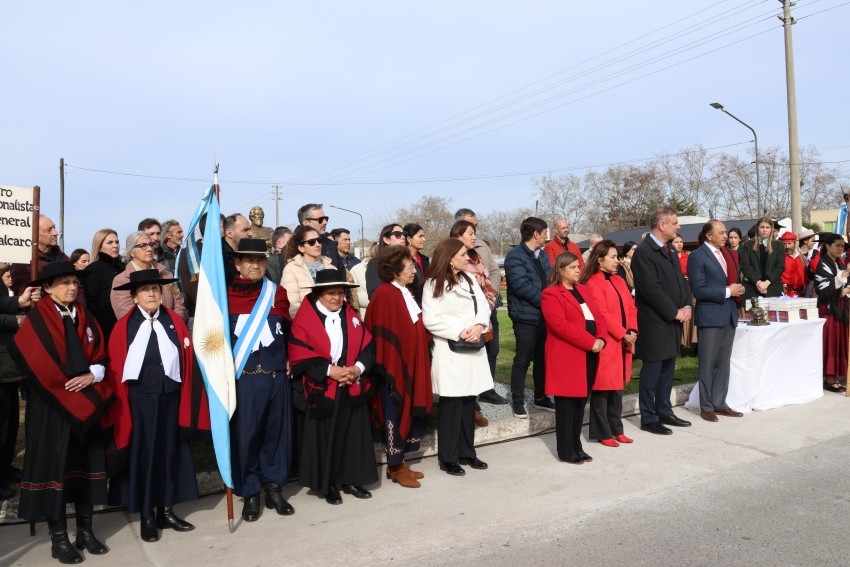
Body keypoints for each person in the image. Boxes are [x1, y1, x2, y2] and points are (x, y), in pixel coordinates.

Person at [11, 262, 113, 564]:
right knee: (56, 468)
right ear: (47, 287)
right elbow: (36, 361)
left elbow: (100, 355)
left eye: (74, 282)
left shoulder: (85, 316)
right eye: (65, 282)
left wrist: (92, 376)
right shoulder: (37, 319)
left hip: (87, 403)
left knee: (85, 466)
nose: (72, 288)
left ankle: (85, 531)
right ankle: (59, 538)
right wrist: (70, 388)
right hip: (52, 406)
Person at [106, 269, 209, 542]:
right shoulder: (124, 326)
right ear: (134, 296)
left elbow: (185, 359)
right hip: (140, 400)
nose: (151, 294)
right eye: (145, 290)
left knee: (169, 453)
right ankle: (147, 515)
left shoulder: (173, 320)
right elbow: (117, 368)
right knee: (147, 456)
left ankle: (166, 509)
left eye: (155, 289)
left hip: (171, 395)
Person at [289, 269, 377, 504]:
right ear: (319, 294)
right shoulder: (304, 318)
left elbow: (368, 346)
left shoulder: (352, 315)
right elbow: (299, 352)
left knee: (353, 435)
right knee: (326, 437)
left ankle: (351, 479)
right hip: (321, 386)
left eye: (341, 293)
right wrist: (330, 371)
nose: (337, 298)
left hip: (351, 382)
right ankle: (328, 484)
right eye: (331, 293)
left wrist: (356, 369)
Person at [227, 238, 294, 521]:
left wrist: (290, 357)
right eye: (249, 260)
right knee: (246, 437)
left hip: (276, 375)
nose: (256, 265)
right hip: (244, 379)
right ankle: (250, 492)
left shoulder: (276, 293)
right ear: (237, 263)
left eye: (260, 260)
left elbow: (288, 330)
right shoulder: (224, 295)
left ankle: (274, 487)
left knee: (276, 435)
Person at [422, 238, 493, 476]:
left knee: (467, 404)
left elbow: (483, 306)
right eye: (463, 254)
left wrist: (480, 324)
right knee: (451, 406)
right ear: (450, 256)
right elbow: (431, 319)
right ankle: (449, 457)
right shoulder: (433, 283)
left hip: (472, 349)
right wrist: (460, 330)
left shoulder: (470, 279)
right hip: (451, 351)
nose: (467, 258)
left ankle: (467, 453)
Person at [365, 245, 432, 488]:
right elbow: (382, 335)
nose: (414, 270)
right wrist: (393, 365)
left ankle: (401, 462)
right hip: (392, 369)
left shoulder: (405, 292)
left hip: (411, 363)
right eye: (410, 267)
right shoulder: (385, 294)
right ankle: (395, 463)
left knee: (407, 409)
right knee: (393, 411)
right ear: (395, 270)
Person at [631, 205, 693, 436]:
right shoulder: (644, 252)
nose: (679, 227)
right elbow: (651, 289)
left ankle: (664, 411)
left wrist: (687, 305)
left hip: (672, 320)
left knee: (668, 367)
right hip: (655, 322)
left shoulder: (669, 250)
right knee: (653, 369)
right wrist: (674, 312)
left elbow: (681, 281)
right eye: (675, 223)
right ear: (662, 225)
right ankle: (649, 417)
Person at [541, 252, 607, 464]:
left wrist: (602, 339)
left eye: (578, 266)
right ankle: (566, 449)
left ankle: (576, 446)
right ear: (560, 271)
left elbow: (599, 317)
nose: (578, 270)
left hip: (588, 355)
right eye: (572, 267)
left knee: (580, 403)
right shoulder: (551, 294)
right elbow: (561, 326)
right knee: (567, 406)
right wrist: (590, 342)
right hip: (567, 358)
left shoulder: (583, 291)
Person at [581, 240, 637, 447]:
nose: (617, 261)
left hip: (623, 340)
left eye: (617, 257)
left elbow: (631, 307)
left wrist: (632, 330)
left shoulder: (619, 280)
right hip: (609, 341)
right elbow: (601, 314)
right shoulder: (593, 282)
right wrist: (623, 333)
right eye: (613, 257)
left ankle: (617, 428)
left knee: (618, 388)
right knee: (603, 388)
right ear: (600, 259)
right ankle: (602, 431)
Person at [687, 221, 745, 422]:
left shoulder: (727, 254)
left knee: (723, 364)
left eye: (726, 232)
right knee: (708, 363)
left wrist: (736, 289)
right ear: (708, 236)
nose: (725, 236)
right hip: (711, 316)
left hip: (728, 314)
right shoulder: (697, 256)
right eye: (721, 233)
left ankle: (720, 403)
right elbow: (699, 290)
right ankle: (706, 406)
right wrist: (729, 291)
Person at [455, 208, 507, 406]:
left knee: (491, 349)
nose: (475, 231)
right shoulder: (451, 251)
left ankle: (488, 389)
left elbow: (493, 272)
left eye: (476, 226)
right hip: (468, 312)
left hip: (488, 306)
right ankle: (470, 394)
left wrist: (489, 298)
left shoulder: (482, 246)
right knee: (471, 351)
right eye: (471, 227)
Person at [504, 216, 553, 417]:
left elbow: (549, 279)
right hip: (526, 316)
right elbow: (521, 286)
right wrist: (546, 302)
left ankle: (541, 397)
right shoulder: (515, 256)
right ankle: (517, 400)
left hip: (544, 316)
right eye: (545, 233)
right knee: (523, 359)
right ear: (536, 234)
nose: (546, 237)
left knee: (542, 358)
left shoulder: (541, 255)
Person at [111, 231, 185, 321]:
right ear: (131, 252)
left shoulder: (166, 275)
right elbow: (126, 314)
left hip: (171, 329)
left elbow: (178, 302)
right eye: (143, 246)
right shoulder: (121, 280)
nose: (149, 249)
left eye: (151, 244)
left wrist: (173, 324)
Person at [0, 279, 28, 501]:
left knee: (8, 423)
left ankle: (4, 467)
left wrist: (17, 301)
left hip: (6, 363)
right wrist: (14, 320)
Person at [814, 233, 850, 393]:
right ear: (828, 246)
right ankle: (829, 378)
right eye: (837, 245)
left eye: (842, 246)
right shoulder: (823, 264)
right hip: (828, 309)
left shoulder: (840, 263)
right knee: (831, 341)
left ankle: (835, 376)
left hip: (840, 307)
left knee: (839, 340)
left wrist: (845, 287)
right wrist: (843, 276)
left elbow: (844, 287)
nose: (840, 249)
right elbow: (823, 290)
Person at [281, 225, 338, 319]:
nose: (317, 244)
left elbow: (341, 300)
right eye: (311, 242)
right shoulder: (291, 269)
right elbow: (292, 306)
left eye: (319, 240)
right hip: (306, 323)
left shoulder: (331, 268)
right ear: (301, 248)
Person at [10, 215, 70, 295]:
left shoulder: (63, 257)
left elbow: (77, 286)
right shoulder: (23, 263)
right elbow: (24, 296)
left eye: (54, 228)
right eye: (48, 230)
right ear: (34, 234)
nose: (55, 233)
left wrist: (79, 306)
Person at [84, 229, 125, 340]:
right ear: (99, 246)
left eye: (117, 242)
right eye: (110, 242)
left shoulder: (124, 267)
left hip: (127, 324)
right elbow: (90, 304)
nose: (115, 245)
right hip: (106, 329)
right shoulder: (92, 270)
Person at [740, 217, 785, 300]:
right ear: (757, 228)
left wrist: (767, 283)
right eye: (762, 227)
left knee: (773, 313)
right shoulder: (748, 244)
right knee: (753, 312)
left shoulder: (779, 245)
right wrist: (759, 282)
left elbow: (780, 266)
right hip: (752, 286)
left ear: (771, 229)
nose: (764, 230)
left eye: (767, 227)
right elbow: (745, 266)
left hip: (773, 286)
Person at [294, 203, 346, 273]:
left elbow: (341, 273)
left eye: (326, 219)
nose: (325, 222)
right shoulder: (292, 245)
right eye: (320, 219)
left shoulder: (330, 244)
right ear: (305, 222)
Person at [365, 223, 407, 297]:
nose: (403, 237)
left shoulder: (409, 262)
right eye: (398, 234)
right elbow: (375, 294)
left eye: (404, 234)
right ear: (386, 240)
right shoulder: (375, 264)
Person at [222, 213, 254, 286]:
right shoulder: (219, 257)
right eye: (245, 230)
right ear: (229, 233)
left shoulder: (251, 252)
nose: (250, 233)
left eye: (250, 229)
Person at [404, 223, 429, 305]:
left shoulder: (424, 260)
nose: (424, 239)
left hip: (425, 303)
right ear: (409, 239)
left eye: (424, 236)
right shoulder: (402, 259)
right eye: (420, 236)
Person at [351, 243, 377, 319]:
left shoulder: (387, 269)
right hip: (364, 315)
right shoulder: (356, 270)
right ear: (370, 256)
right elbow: (352, 294)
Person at [779, 231, 807, 297]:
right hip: (785, 293)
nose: (787, 246)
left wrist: (805, 284)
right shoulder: (780, 257)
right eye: (784, 244)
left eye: (789, 243)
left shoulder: (800, 256)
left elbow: (804, 272)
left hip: (800, 293)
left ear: (794, 243)